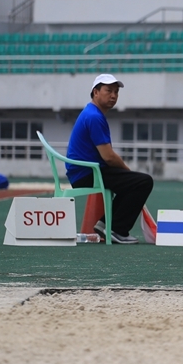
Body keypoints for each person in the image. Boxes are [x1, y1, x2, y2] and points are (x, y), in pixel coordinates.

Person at [65, 74, 153, 244]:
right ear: (95, 92)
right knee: (143, 181)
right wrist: (128, 172)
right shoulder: (94, 117)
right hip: (87, 173)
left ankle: (105, 224)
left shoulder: (92, 113)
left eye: (116, 92)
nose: (113, 96)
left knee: (134, 182)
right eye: (108, 91)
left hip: (85, 171)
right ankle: (116, 229)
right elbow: (109, 157)